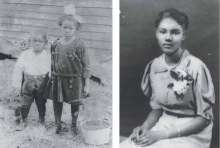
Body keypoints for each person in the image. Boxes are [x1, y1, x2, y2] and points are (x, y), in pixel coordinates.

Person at [120, 8, 215, 148]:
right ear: (156, 34)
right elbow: (157, 109)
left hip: (192, 132)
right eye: (163, 31)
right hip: (164, 124)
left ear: (183, 35)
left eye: (175, 32)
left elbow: (204, 119)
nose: (168, 37)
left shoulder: (197, 67)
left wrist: (161, 136)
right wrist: (145, 127)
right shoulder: (154, 66)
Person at [44, 14, 90, 135]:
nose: (67, 30)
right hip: (58, 78)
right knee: (57, 101)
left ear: (76, 29)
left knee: (75, 102)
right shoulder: (55, 43)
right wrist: (50, 74)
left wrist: (87, 85)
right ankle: (57, 125)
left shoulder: (79, 44)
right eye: (65, 27)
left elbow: (86, 65)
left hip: (74, 79)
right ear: (60, 27)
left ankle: (73, 126)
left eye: (71, 28)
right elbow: (52, 60)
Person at [12, 29, 50, 130]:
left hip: (42, 83)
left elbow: (51, 70)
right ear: (30, 42)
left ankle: (41, 121)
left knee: (41, 102)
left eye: (40, 41)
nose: (37, 43)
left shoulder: (47, 55)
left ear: (45, 43)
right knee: (25, 103)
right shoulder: (25, 54)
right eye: (34, 41)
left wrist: (51, 83)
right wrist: (16, 85)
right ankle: (23, 121)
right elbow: (18, 69)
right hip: (28, 83)